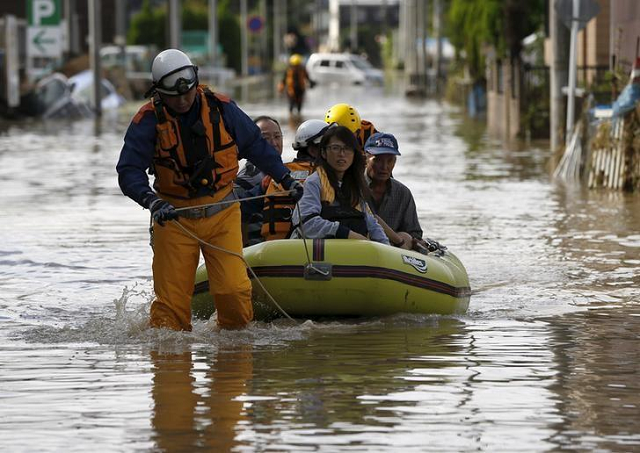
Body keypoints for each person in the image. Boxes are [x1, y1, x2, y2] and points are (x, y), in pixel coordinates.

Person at [116, 49, 303, 331]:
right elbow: (128, 171)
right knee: (170, 312)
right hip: (174, 218)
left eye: (187, 92)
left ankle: (231, 365)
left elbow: (256, 146)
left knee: (234, 294)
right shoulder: (147, 121)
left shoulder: (223, 108)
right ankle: (171, 368)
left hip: (223, 214)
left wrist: (286, 179)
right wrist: (151, 201)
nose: (182, 100)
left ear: (195, 82)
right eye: (173, 95)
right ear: (159, 93)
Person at [290, 125, 389, 244]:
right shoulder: (313, 182)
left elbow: (372, 225)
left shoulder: (356, 186)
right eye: (335, 148)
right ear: (323, 153)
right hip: (317, 252)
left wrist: (385, 246)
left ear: (354, 154)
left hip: (352, 252)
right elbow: (306, 223)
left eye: (347, 148)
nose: (342, 154)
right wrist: (346, 234)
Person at [261, 119, 332, 241]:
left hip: (271, 247)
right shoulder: (323, 176)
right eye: (330, 147)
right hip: (306, 247)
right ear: (313, 150)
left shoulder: (277, 174)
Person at [363, 132, 423, 250]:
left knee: (405, 236)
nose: (384, 167)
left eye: (390, 160)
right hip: (359, 248)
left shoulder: (403, 193)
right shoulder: (352, 187)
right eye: (378, 160)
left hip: (394, 257)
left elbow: (414, 234)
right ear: (366, 158)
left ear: (395, 162)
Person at [234, 116, 283, 246]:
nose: (273, 143)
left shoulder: (288, 175)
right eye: (265, 138)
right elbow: (236, 222)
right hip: (255, 251)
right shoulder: (243, 181)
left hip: (283, 247)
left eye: (277, 137)